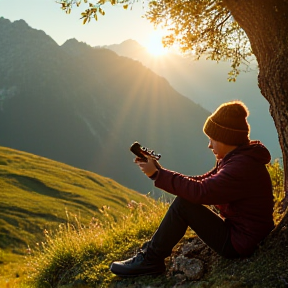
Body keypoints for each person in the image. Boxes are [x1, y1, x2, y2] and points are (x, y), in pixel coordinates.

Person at [110, 100, 275, 277]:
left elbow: (201, 191)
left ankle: (150, 261)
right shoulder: (237, 158)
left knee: (184, 205)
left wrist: (158, 176)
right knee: (185, 201)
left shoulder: (240, 166)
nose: (209, 145)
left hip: (240, 243)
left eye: (213, 139)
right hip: (246, 234)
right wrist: (160, 171)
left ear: (226, 139)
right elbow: (204, 181)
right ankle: (150, 257)